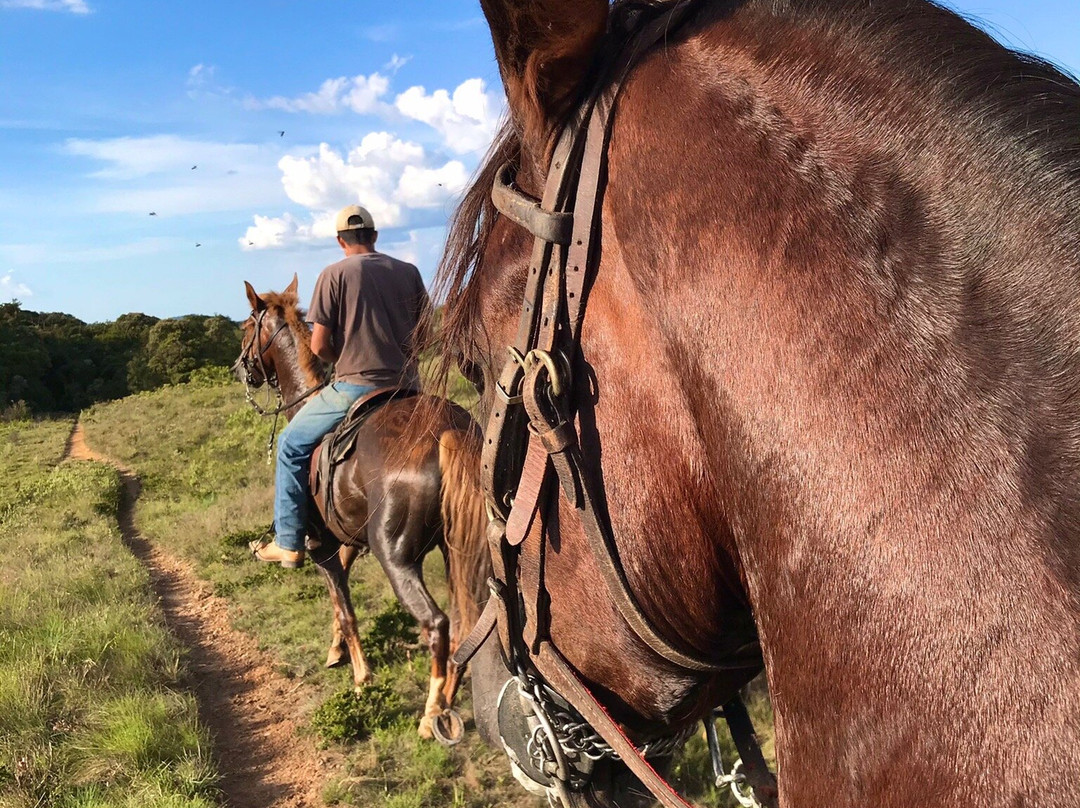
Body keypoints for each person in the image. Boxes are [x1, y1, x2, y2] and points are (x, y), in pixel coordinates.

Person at [251, 204, 430, 568]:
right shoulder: (408, 271)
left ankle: (288, 542)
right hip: (410, 387)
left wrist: (345, 357)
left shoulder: (333, 274)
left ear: (339, 241)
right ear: (375, 236)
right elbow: (425, 337)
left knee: (290, 445)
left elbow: (318, 346)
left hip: (356, 386)